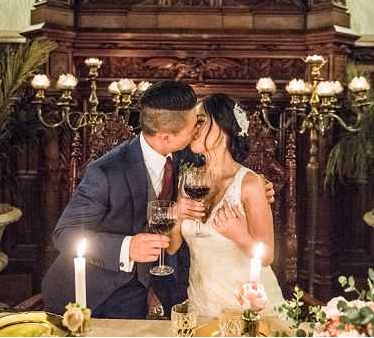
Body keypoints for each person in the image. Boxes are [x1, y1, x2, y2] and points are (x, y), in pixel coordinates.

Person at [42, 82, 275, 319]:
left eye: (201, 122)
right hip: (98, 291)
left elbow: (228, 171)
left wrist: (255, 190)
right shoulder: (105, 172)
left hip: (165, 288)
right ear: (166, 137)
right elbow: (64, 233)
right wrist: (127, 248)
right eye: (196, 123)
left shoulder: (187, 155)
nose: (197, 129)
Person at [167, 93, 284, 317]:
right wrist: (178, 215)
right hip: (201, 306)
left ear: (223, 125)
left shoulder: (250, 184)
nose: (193, 127)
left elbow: (267, 255)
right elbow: (172, 247)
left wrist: (240, 235)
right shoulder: (188, 180)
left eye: (201, 121)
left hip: (246, 308)